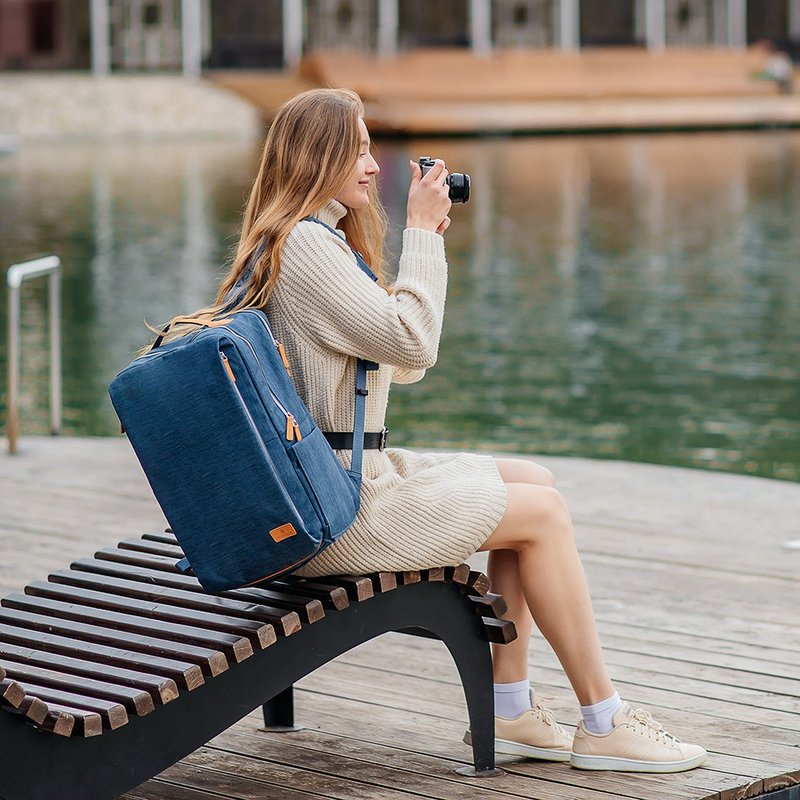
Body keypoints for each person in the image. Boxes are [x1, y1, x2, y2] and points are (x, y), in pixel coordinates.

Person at [187, 88, 707, 773]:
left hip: (329, 481)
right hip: (334, 508)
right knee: (543, 515)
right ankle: (604, 718)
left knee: (534, 483)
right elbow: (415, 346)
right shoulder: (308, 248)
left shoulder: (302, 240)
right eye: (362, 148)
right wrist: (424, 237)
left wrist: (395, 297)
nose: (375, 165)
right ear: (321, 157)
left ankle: (513, 706)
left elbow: (395, 367)